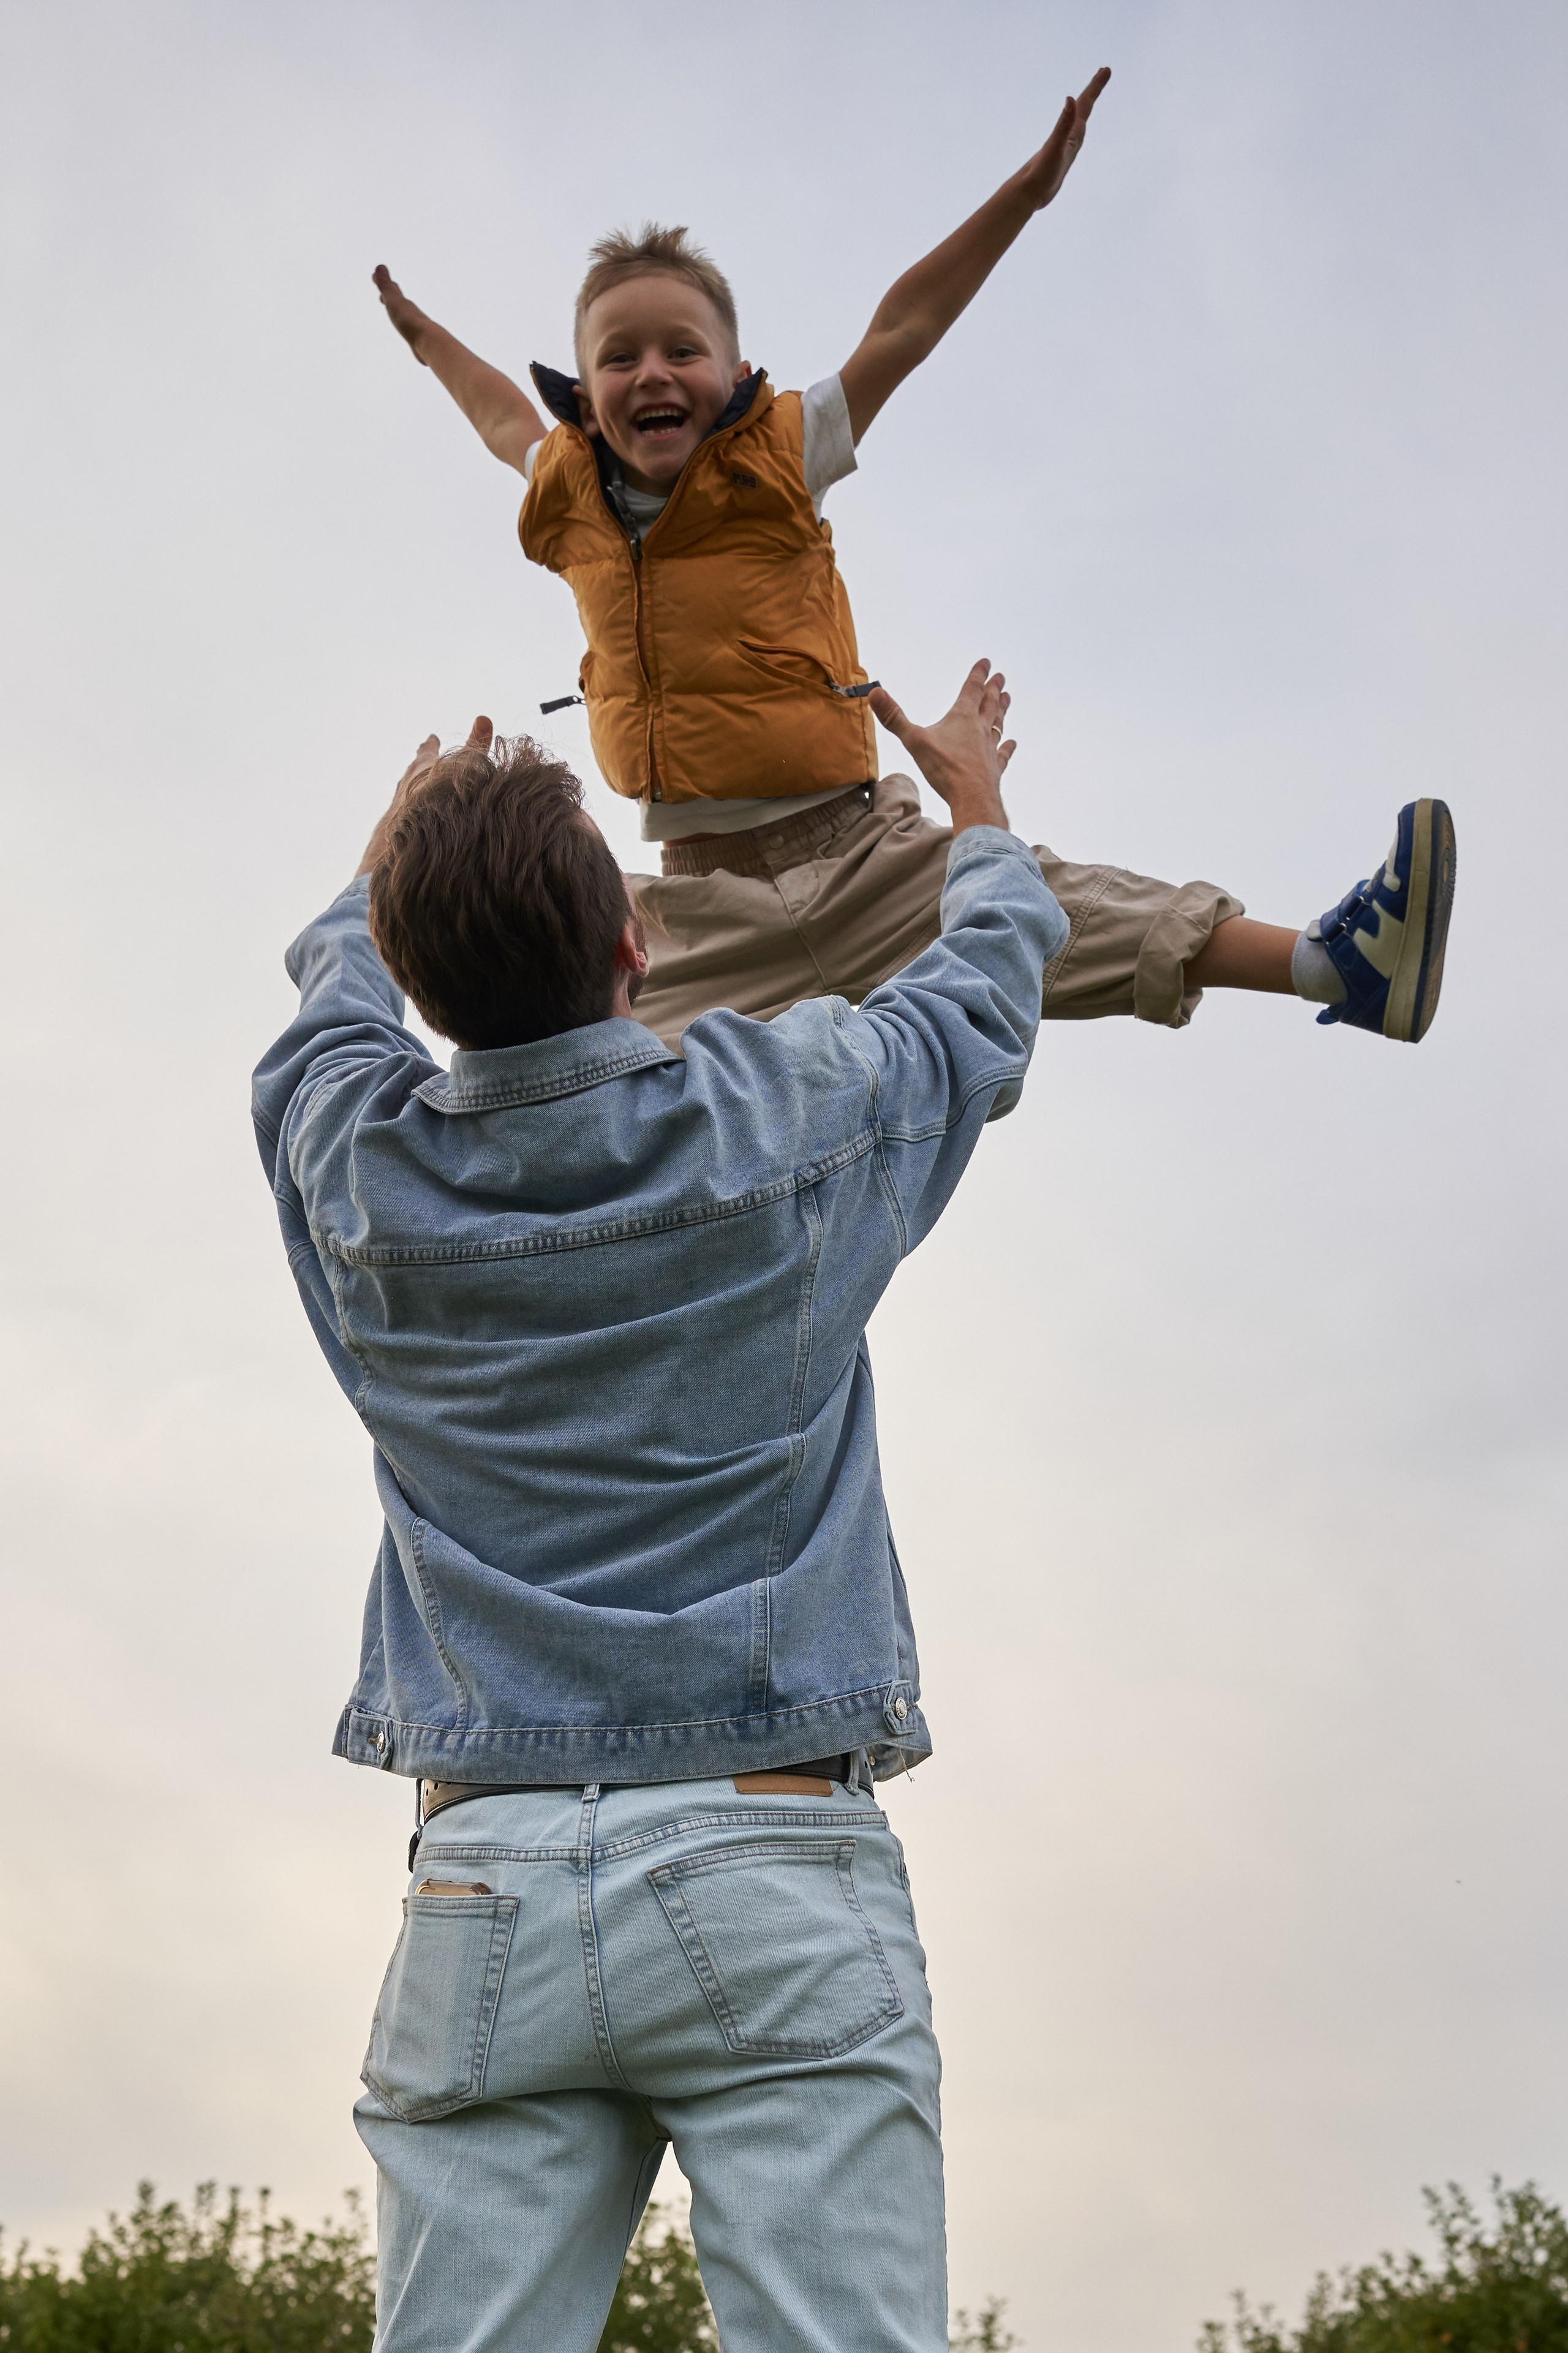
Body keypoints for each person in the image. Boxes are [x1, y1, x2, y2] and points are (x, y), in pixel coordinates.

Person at [253, 660, 1060, 2352]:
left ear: (418, 975)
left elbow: (331, 991)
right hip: (772, 1853)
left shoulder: (354, 1170)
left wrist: (382, 859)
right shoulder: (793, 1109)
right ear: (640, 950)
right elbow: (982, 992)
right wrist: (977, 813)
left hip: (480, 1888)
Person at [371, 69, 1456, 1051]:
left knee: (1048, 906)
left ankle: (1340, 964)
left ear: (734, 369)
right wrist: (427, 341)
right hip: (696, 916)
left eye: (682, 350)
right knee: (588, 1057)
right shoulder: (569, 497)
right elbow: (496, 416)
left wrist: (1021, 202)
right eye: (620, 357)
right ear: (586, 394)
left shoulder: (781, 453)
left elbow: (906, 327)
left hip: (860, 857)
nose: (654, 372)